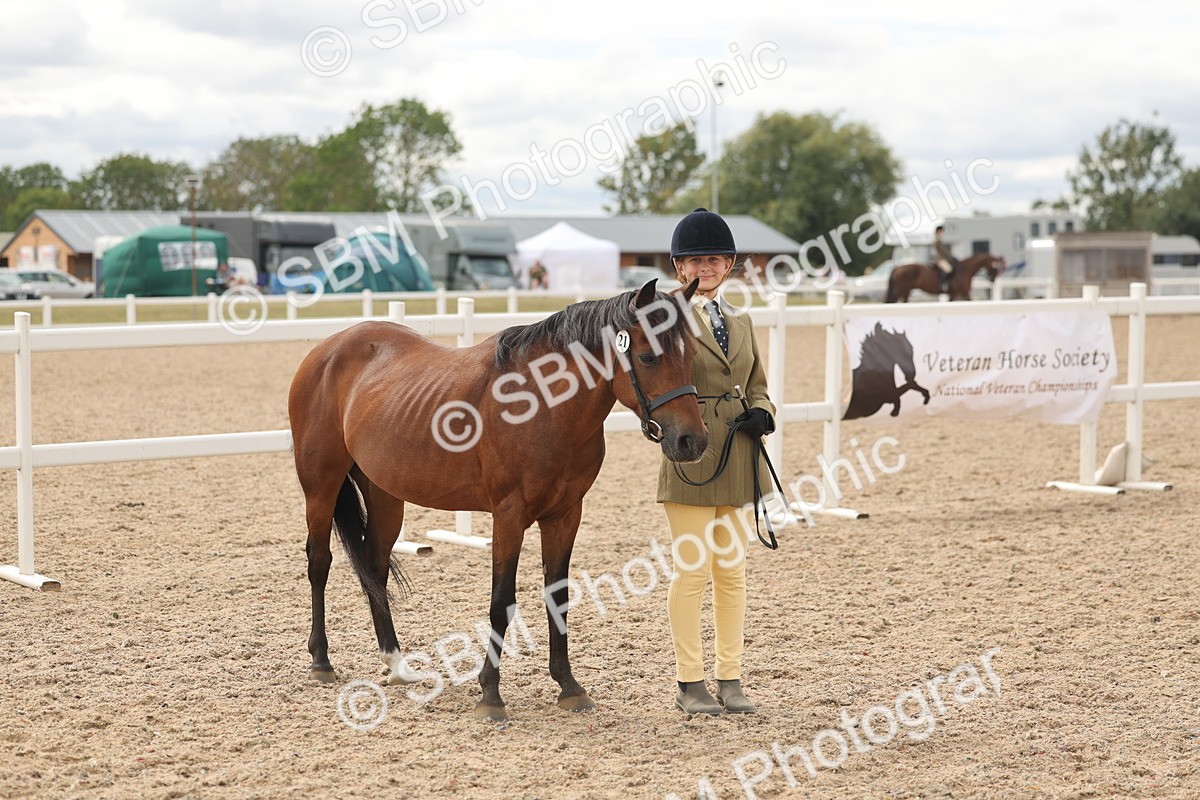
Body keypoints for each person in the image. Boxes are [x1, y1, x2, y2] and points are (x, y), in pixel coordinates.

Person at [656, 207, 776, 716]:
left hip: (739, 457)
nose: (704, 268)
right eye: (695, 261)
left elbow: (757, 385)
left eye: (714, 260)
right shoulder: (666, 322)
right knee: (692, 572)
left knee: (732, 571)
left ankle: (731, 678)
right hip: (692, 455)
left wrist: (763, 414)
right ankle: (690, 682)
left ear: (728, 266)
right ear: (679, 267)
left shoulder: (742, 322)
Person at [933, 224, 957, 294]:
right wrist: (949, 256)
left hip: (942, 258)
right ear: (939, 231)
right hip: (939, 259)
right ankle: (943, 284)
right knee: (948, 269)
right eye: (942, 231)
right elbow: (942, 251)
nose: (943, 233)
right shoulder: (937, 240)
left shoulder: (939, 239)